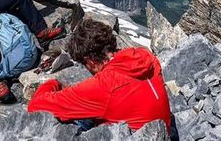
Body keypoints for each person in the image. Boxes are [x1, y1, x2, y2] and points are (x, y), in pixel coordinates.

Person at [27, 18, 171, 132]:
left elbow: (35, 105)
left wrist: (54, 83)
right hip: (165, 133)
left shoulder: (104, 86)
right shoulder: (144, 56)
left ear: (90, 61)